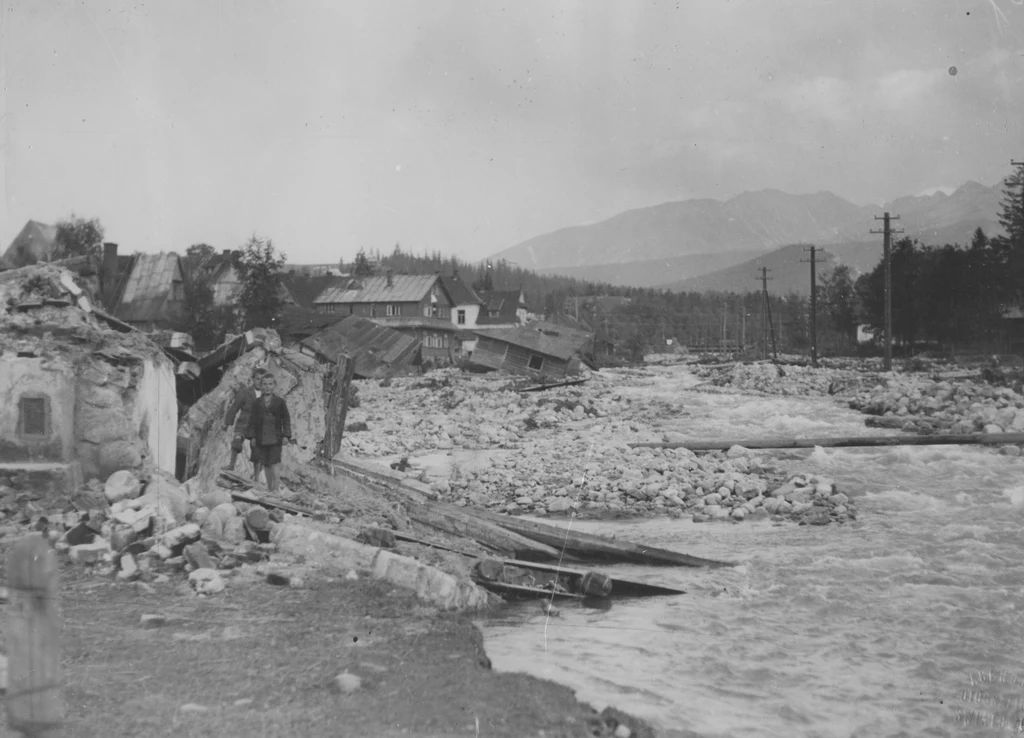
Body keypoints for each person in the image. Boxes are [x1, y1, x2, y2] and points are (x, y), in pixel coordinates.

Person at [247, 373, 293, 494]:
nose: (267, 387)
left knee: (275, 462)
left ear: (274, 385)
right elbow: (252, 421)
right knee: (266, 463)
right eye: (265, 384)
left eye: (270, 384)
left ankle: (276, 489)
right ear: (261, 386)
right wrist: (252, 436)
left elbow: (286, 419)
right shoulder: (256, 403)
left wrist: (286, 435)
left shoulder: (280, 402)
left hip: (276, 437)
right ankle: (269, 487)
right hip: (261, 437)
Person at [223, 368, 265, 473]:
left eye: (262, 379)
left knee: (256, 449)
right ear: (253, 379)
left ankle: (256, 476)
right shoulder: (245, 392)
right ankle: (231, 465)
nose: (259, 382)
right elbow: (235, 407)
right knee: (236, 442)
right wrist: (227, 423)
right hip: (244, 422)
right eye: (257, 379)